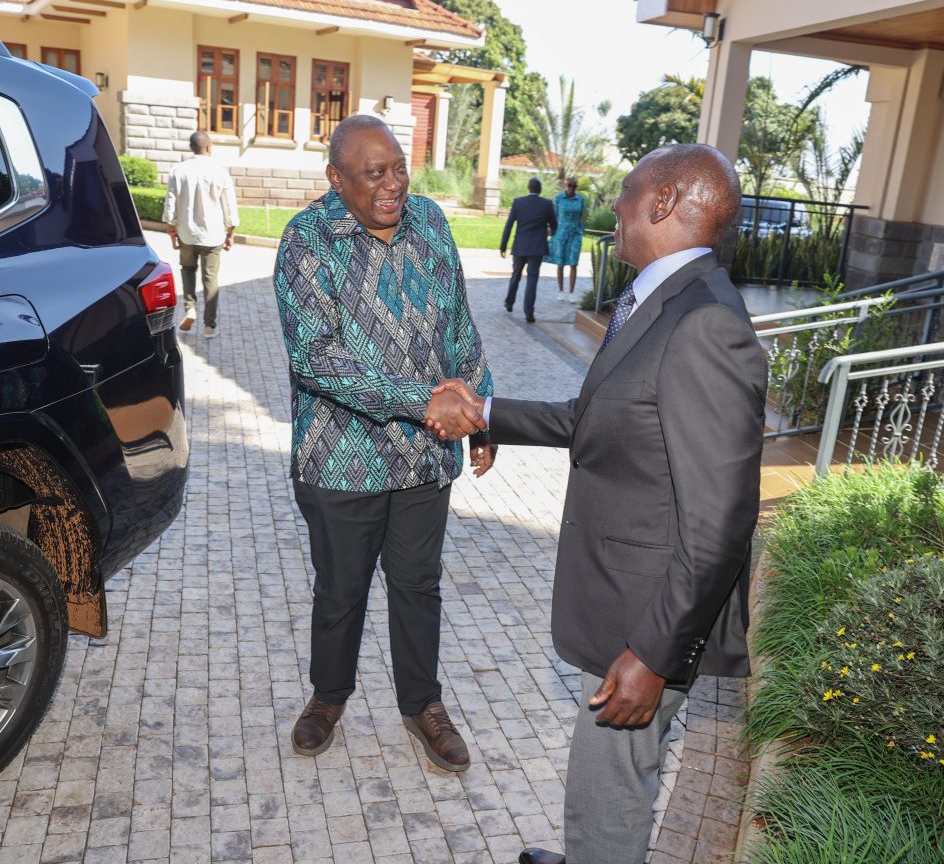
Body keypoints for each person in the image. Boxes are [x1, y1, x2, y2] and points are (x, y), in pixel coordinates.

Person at [429, 144, 767, 864]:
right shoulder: (660, 297)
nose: (614, 203)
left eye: (628, 188)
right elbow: (598, 417)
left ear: (665, 200)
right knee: (604, 775)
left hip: (646, 617)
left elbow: (722, 521)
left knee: (612, 780)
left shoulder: (705, 323)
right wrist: (485, 410)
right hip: (627, 601)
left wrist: (654, 652)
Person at [272, 115, 498, 772]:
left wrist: (479, 412)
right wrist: (420, 401)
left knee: (418, 585)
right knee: (340, 589)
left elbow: (458, 320)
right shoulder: (307, 240)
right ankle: (327, 697)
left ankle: (422, 702)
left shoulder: (429, 221)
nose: (394, 183)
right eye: (375, 173)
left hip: (426, 457)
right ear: (336, 178)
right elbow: (317, 358)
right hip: (341, 460)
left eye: (399, 166)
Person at [163, 130, 239, 339]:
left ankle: (189, 308)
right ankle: (210, 326)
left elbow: (170, 204)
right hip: (213, 235)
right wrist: (230, 232)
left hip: (186, 233)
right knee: (210, 278)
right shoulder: (220, 172)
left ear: (191, 147)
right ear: (209, 146)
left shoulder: (177, 171)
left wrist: (171, 231)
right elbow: (230, 207)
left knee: (187, 270)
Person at [501, 177, 557, 323]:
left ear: (528, 188)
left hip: (520, 246)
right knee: (532, 279)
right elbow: (554, 225)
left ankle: (509, 302)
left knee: (516, 275)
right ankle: (529, 312)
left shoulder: (518, 202)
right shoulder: (547, 204)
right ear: (540, 189)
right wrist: (550, 232)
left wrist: (503, 245)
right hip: (537, 248)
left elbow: (509, 225)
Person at [546, 177, 586, 303]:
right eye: (569, 185)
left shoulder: (581, 199)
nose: (571, 188)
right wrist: (550, 230)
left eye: (574, 186)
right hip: (561, 233)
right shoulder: (558, 199)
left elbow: (582, 217)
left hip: (575, 233)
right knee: (561, 262)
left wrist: (580, 230)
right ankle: (560, 291)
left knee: (574, 262)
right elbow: (554, 217)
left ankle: (572, 292)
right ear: (566, 185)